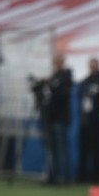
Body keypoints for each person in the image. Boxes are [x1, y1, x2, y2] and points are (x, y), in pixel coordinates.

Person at [42, 54, 73, 185]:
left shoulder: (66, 76)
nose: (57, 64)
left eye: (59, 62)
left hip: (60, 118)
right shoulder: (54, 76)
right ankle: (52, 176)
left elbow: (63, 94)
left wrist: (52, 86)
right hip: (51, 117)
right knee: (52, 149)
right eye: (55, 62)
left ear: (63, 62)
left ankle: (63, 177)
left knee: (61, 149)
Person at [78, 57, 99, 183]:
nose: (92, 68)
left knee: (95, 149)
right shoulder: (85, 81)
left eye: (94, 65)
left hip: (96, 120)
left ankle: (95, 175)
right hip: (84, 119)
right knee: (83, 148)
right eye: (91, 65)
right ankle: (83, 175)